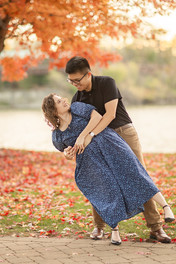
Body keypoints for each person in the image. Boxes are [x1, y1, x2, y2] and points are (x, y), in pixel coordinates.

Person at [63, 56, 172, 244]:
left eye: (77, 80)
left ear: (88, 74)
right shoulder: (77, 98)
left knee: (138, 176)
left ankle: (156, 228)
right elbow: (74, 127)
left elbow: (110, 114)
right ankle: (99, 227)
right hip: (99, 142)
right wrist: (68, 148)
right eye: (70, 80)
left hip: (123, 132)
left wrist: (91, 135)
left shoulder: (106, 83)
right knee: (99, 181)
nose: (74, 84)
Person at [42, 94, 175, 246]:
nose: (64, 101)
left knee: (135, 174)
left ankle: (165, 207)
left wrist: (82, 136)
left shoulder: (77, 108)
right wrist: (67, 154)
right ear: (53, 110)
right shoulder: (58, 135)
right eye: (59, 101)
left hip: (110, 144)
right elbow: (65, 150)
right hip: (92, 161)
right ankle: (114, 230)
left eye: (62, 98)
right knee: (108, 190)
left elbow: (97, 117)